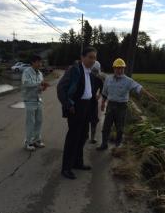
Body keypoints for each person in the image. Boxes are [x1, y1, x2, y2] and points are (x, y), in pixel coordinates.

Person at [97, 58, 158, 151]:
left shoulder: (128, 81)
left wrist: (149, 95)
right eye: (117, 68)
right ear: (114, 68)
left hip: (121, 107)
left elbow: (138, 87)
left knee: (120, 128)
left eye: (121, 68)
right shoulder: (108, 79)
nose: (119, 70)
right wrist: (102, 103)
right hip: (110, 105)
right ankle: (104, 144)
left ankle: (117, 145)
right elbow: (104, 92)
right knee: (106, 126)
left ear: (124, 69)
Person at [57, 47, 97, 180]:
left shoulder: (90, 74)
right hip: (76, 108)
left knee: (83, 136)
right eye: (90, 57)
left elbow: (89, 93)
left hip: (86, 108)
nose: (92, 60)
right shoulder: (74, 70)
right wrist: (68, 105)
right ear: (82, 57)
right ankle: (66, 168)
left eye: (94, 57)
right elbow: (61, 88)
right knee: (73, 138)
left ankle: (77, 162)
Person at [22, 55, 49, 151]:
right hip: (29, 100)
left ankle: (36, 140)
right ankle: (28, 142)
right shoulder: (27, 72)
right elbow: (26, 83)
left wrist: (43, 87)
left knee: (39, 121)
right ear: (33, 62)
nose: (40, 64)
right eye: (38, 62)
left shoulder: (40, 73)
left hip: (38, 100)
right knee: (30, 122)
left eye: (41, 62)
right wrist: (38, 84)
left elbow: (39, 88)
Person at [88, 61, 104, 144]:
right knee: (85, 119)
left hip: (93, 101)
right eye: (94, 71)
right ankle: (85, 136)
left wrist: (99, 95)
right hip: (85, 102)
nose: (95, 73)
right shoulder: (86, 77)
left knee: (94, 120)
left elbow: (102, 88)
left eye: (96, 71)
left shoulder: (99, 79)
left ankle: (92, 137)